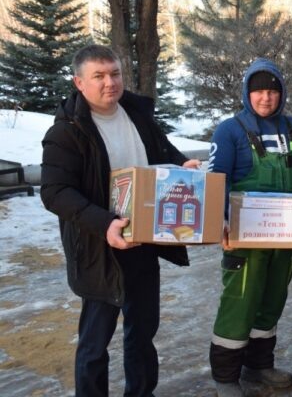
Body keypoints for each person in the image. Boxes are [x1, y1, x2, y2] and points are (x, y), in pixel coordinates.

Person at [40, 44, 201, 396]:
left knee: (142, 333)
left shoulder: (137, 114)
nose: (109, 82)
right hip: (99, 248)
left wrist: (181, 164)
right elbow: (54, 192)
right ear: (79, 82)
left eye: (114, 73)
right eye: (98, 76)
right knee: (95, 344)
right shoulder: (67, 131)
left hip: (143, 239)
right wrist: (104, 224)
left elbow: (161, 151)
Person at [207, 59, 292, 397]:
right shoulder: (229, 130)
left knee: (272, 299)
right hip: (244, 236)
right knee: (240, 301)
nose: (265, 98)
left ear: (281, 94)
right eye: (258, 91)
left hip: (283, 234)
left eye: (272, 91)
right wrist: (222, 220)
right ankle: (226, 376)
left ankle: (259, 366)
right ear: (247, 93)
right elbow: (217, 179)